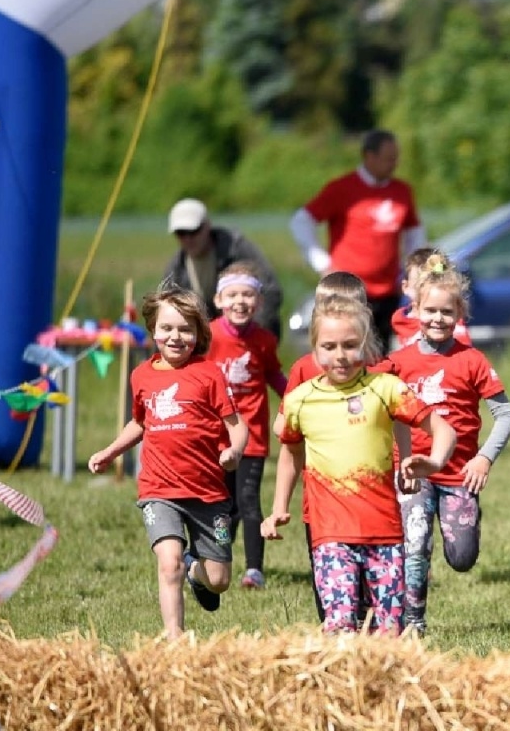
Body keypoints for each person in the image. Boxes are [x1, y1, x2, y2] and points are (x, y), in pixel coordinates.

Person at [262, 298, 456, 635]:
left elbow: (444, 429)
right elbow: (291, 453)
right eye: (329, 346)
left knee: (389, 633)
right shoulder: (299, 400)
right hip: (331, 534)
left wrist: (435, 461)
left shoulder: (386, 389)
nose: (340, 355)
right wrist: (279, 506)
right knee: (340, 626)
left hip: (386, 534)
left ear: (365, 345)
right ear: (314, 350)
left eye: (350, 345)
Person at [88, 289, 248, 638]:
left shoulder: (209, 374)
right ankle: (174, 640)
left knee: (219, 579)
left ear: (198, 333)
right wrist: (110, 452)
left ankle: (195, 572)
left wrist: (234, 452)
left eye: (185, 329)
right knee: (168, 562)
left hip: (208, 493)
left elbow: (237, 426)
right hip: (159, 490)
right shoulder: (141, 376)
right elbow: (140, 423)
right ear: (153, 329)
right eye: (167, 328)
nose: (176, 336)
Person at [387, 268, 510, 635]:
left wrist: (484, 457)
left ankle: (466, 521)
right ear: (415, 310)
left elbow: (506, 415)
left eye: (447, 311)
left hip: (459, 475)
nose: (438, 319)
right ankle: (413, 622)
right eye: (430, 310)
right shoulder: (397, 363)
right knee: (416, 543)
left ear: (460, 313)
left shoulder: (473, 360)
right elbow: (381, 404)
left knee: (462, 558)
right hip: (413, 471)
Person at [290, 130, 427, 350]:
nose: (394, 164)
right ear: (369, 156)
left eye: (396, 158)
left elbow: (414, 231)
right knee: (349, 351)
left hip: (388, 292)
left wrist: (413, 269)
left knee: (380, 355)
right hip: (349, 292)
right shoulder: (342, 189)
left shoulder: (401, 191)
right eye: (388, 159)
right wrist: (322, 264)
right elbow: (301, 221)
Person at [205, 263, 287, 591]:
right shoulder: (208, 336)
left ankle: (254, 570)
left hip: (252, 437)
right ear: (218, 300)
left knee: (249, 499)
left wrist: (296, 399)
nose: (240, 301)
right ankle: (217, 557)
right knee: (222, 504)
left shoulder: (264, 340)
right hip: (215, 438)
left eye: (248, 295)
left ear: (259, 302)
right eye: (232, 295)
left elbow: (275, 375)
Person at [164, 199, 283, 337]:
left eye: (194, 231)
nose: (188, 238)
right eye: (181, 233)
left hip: (250, 334)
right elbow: (167, 310)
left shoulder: (237, 249)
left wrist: (249, 330)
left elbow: (270, 290)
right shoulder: (177, 268)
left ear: (207, 226)